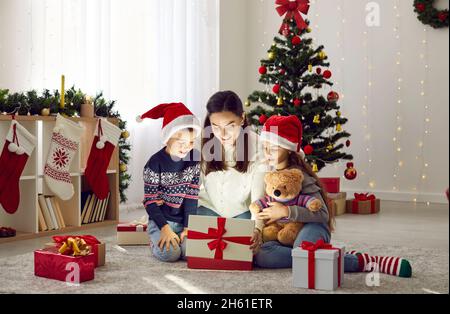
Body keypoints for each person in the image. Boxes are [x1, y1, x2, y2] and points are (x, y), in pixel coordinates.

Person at [139, 103, 202, 262]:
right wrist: (165, 229)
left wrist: (188, 228)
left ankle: (180, 236)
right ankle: (153, 241)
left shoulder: (193, 159)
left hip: (182, 221)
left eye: (192, 142)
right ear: (167, 139)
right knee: (171, 254)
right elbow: (150, 201)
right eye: (181, 142)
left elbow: (191, 197)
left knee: (190, 253)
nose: (187, 147)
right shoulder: (154, 163)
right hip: (162, 221)